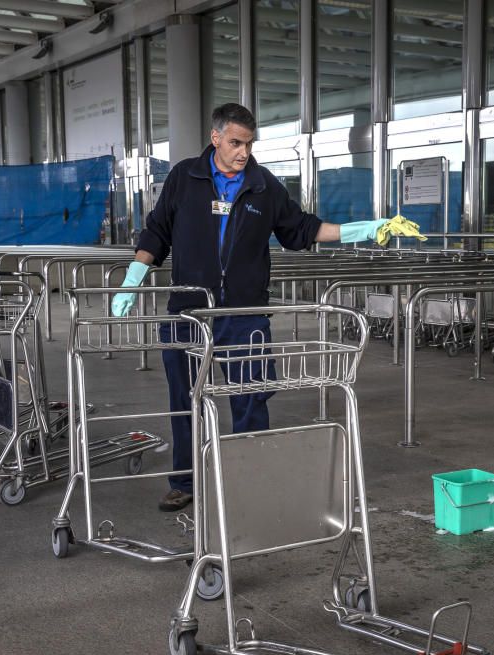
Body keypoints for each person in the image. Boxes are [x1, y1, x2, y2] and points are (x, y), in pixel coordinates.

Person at [112, 103, 396, 511]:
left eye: (248, 143)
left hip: (244, 315)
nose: (243, 152)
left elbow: (301, 230)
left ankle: (250, 478)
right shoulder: (184, 178)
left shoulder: (263, 185)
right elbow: (157, 231)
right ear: (215, 139)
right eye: (235, 142)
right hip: (189, 312)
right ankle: (185, 480)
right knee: (185, 398)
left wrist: (364, 229)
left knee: (251, 398)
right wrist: (132, 278)